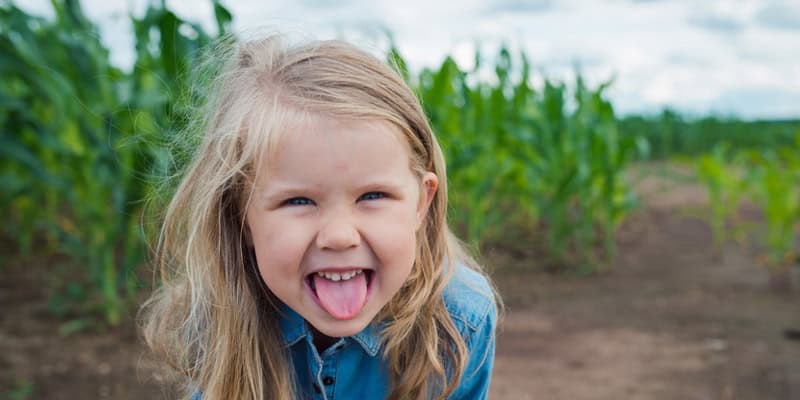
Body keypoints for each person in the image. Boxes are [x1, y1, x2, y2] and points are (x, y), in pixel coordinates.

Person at [140, 33, 500, 400]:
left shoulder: (460, 321)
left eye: (373, 196)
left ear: (420, 203)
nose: (340, 236)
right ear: (241, 215)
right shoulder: (218, 315)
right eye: (299, 201)